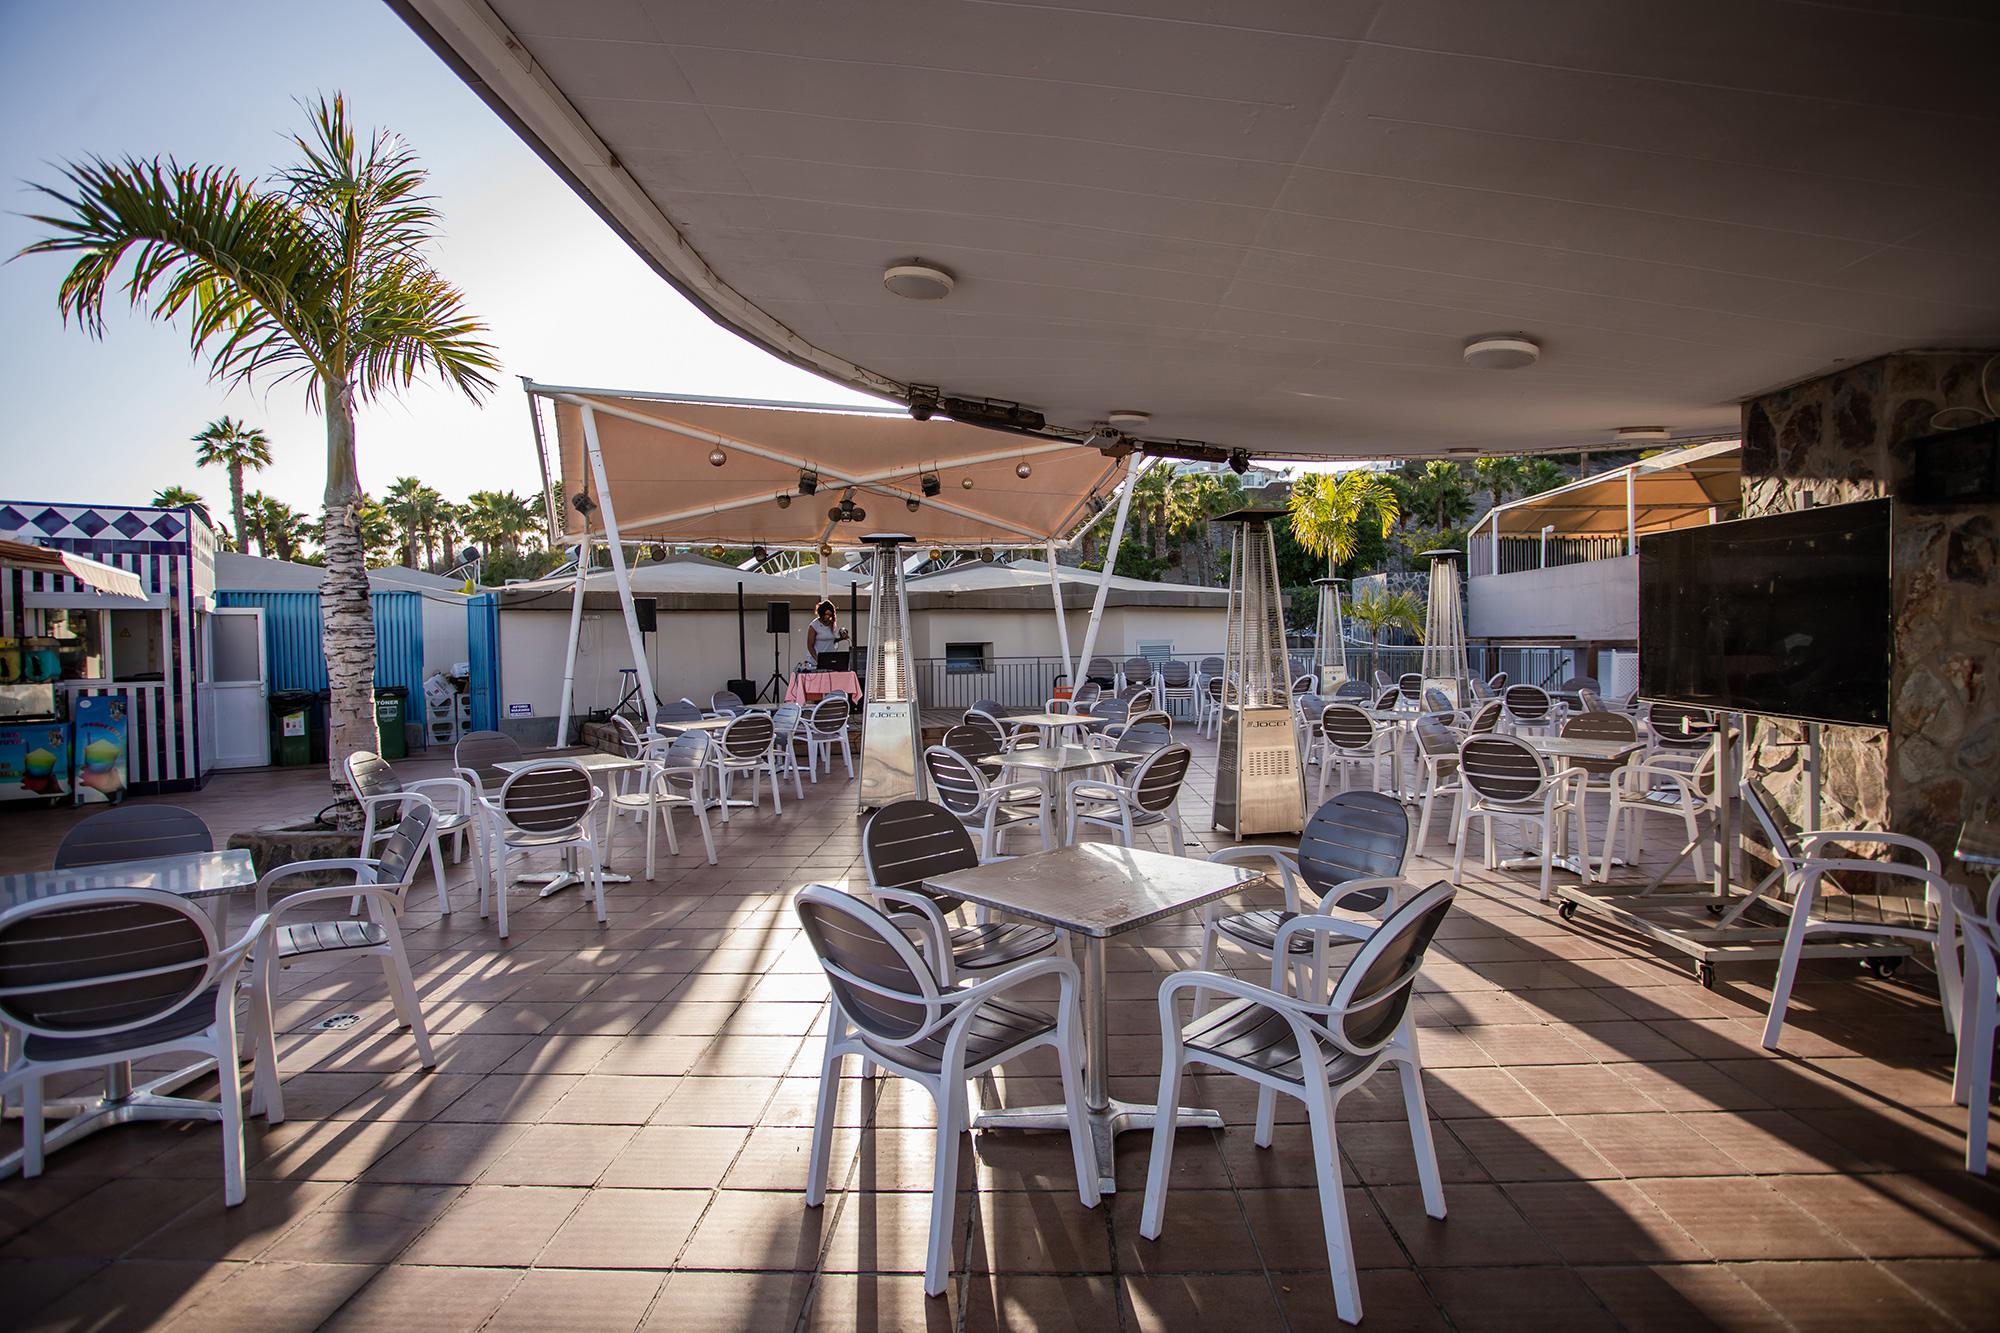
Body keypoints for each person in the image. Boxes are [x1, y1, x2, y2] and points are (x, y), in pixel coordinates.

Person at [808, 600, 848, 669]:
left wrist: (841, 638)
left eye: (829, 615)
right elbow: (810, 646)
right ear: (821, 613)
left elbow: (831, 640)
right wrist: (818, 660)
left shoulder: (831, 624)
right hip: (816, 661)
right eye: (826, 615)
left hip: (829, 659)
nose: (828, 617)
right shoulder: (814, 625)